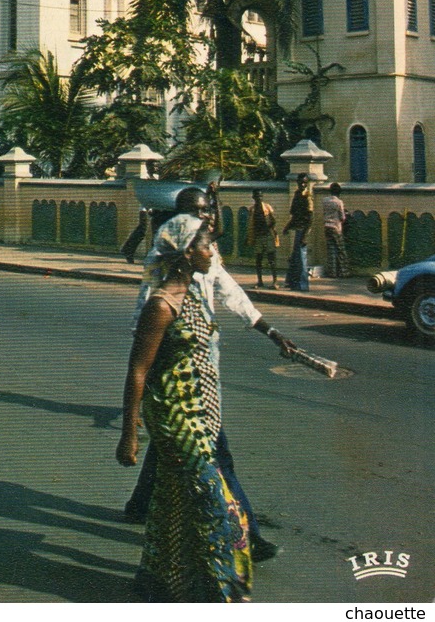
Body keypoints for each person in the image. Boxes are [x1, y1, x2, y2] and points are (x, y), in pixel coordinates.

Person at [124, 185, 294, 563]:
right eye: (202, 211)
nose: (209, 218)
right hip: (177, 382)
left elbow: (231, 292)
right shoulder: (164, 266)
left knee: (172, 454)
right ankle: (246, 536)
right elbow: (144, 330)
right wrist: (131, 423)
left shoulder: (203, 254)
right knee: (217, 460)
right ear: (183, 219)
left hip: (201, 373)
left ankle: (140, 505)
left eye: (209, 209)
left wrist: (270, 331)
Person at [117, 217, 257, 601]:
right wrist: (129, 434)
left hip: (200, 414)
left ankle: (160, 585)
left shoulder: (193, 294)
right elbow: (137, 370)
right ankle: (220, 594)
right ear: (185, 253)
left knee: (172, 504)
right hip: (175, 419)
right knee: (219, 509)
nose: (213, 251)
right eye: (207, 245)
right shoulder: (160, 306)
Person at [283, 173, 313, 291]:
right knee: (295, 258)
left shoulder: (307, 196)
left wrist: (305, 236)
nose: (303, 184)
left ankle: (303, 285)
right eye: (301, 182)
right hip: (297, 228)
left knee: (301, 259)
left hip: (303, 230)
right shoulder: (297, 195)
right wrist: (288, 226)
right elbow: (294, 215)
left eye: (305, 182)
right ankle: (293, 283)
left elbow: (310, 218)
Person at [246, 189, 278, 288]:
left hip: (268, 235)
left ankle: (275, 282)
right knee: (258, 259)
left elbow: (273, 221)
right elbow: (250, 224)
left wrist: (270, 227)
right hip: (258, 236)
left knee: (271, 259)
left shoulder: (267, 208)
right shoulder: (252, 209)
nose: (258, 198)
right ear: (253, 197)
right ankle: (260, 281)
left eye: (260, 196)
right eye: (256, 196)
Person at [322, 181, 351, 277]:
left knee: (331, 250)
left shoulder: (325, 200)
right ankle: (344, 272)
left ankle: (332, 272)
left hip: (326, 226)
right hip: (336, 227)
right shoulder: (339, 202)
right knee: (340, 249)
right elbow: (342, 217)